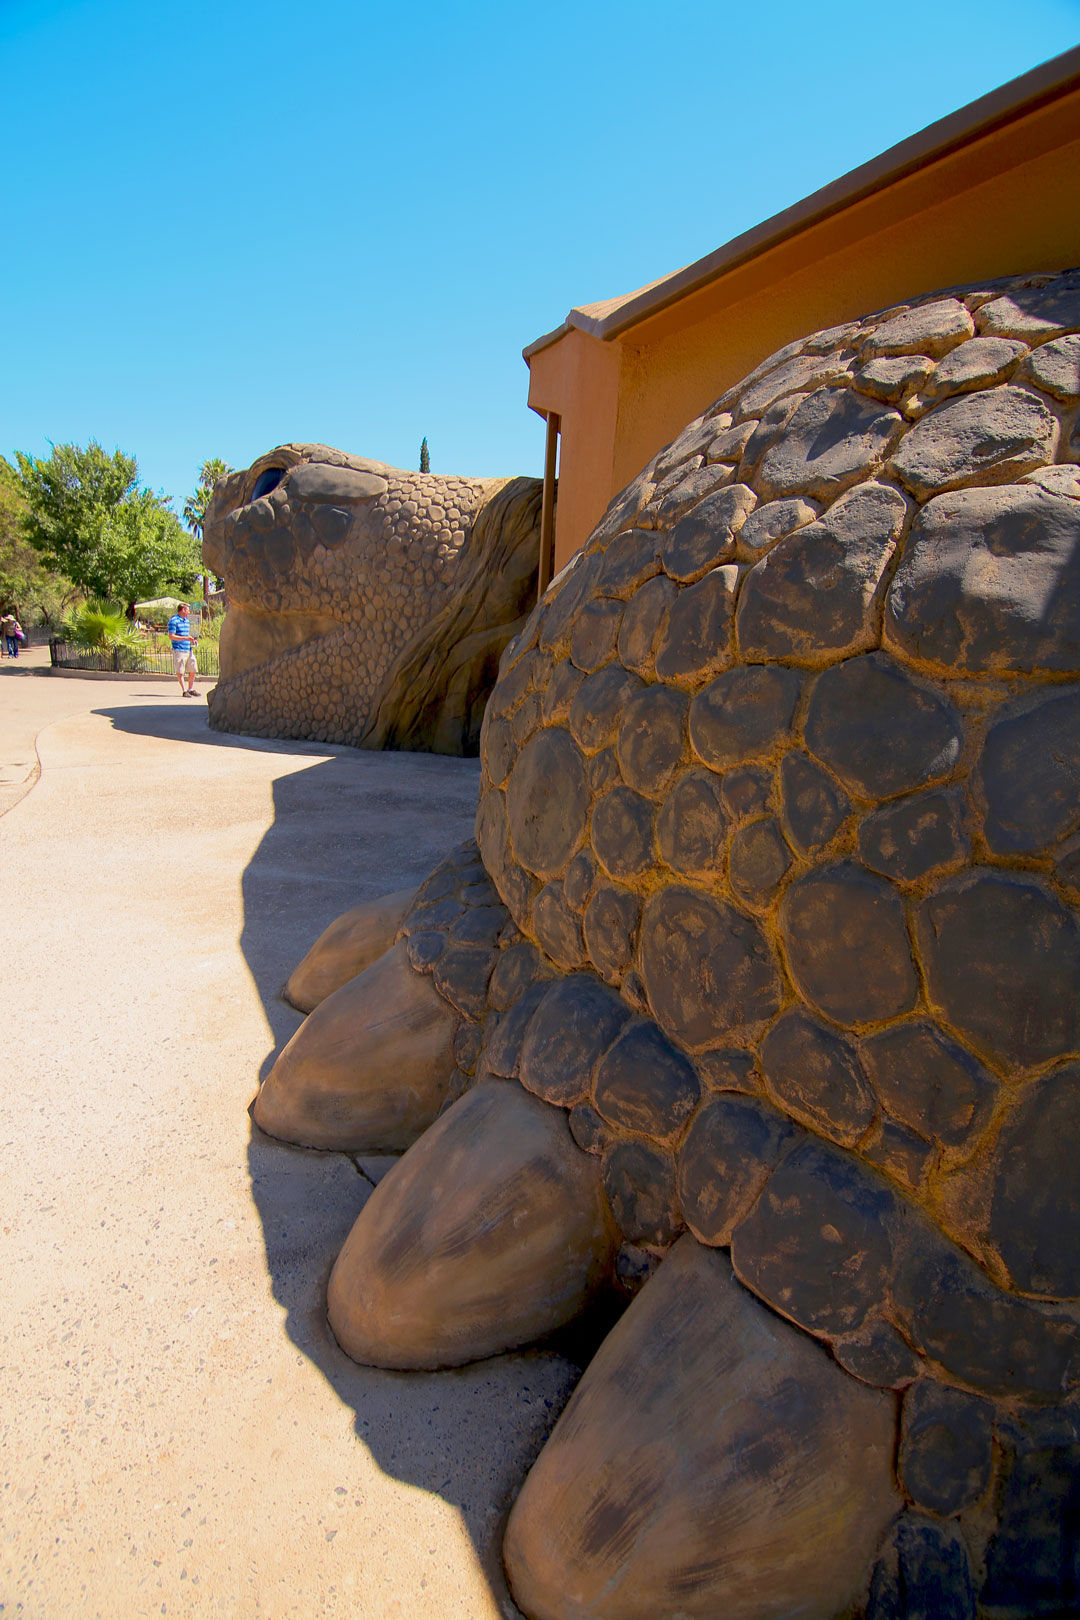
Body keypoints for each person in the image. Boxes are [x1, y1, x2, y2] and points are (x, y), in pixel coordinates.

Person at [167, 602, 199, 696]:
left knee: (193, 669)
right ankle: (184, 690)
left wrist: (192, 639)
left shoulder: (186, 621)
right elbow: (171, 636)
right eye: (188, 609)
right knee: (180, 671)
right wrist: (185, 638)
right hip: (179, 649)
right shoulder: (174, 621)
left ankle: (190, 688)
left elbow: (185, 634)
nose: (189, 611)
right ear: (183, 610)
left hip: (188, 648)